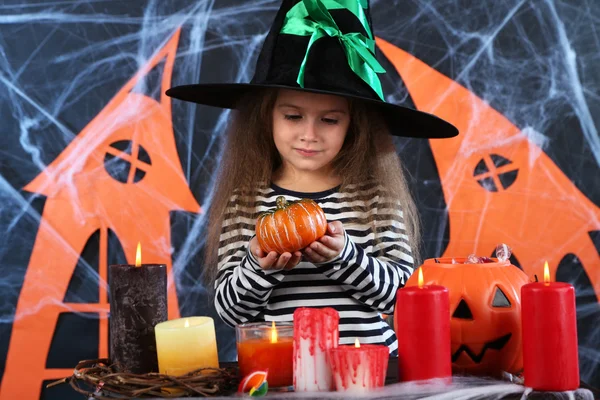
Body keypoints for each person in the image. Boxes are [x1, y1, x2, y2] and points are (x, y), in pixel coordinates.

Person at [166, 0, 458, 354]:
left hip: (370, 372)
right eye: (293, 116)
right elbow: (232, 311)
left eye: (329, 120)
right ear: (266, 117)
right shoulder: (245, 201)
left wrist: (344, 257)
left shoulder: (374, 198)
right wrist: (261, 267)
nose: (309, 134)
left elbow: (402, 296)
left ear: (354, 126)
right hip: (285, 373)